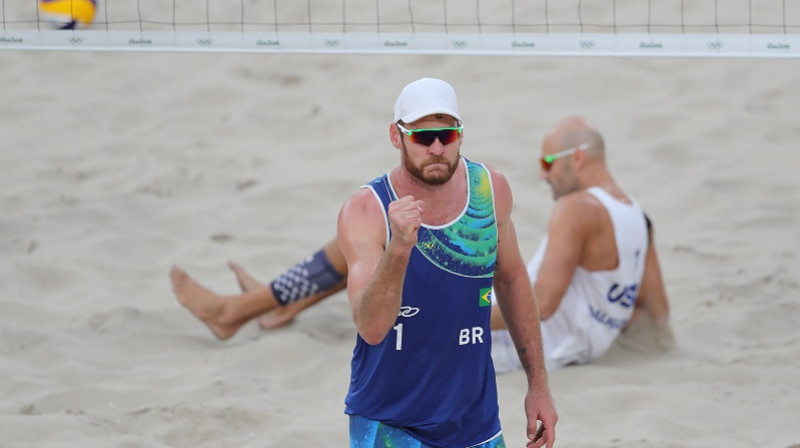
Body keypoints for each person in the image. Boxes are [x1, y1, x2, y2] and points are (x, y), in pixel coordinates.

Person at [172, 77, 558, 447]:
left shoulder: (490, 189)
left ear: (460, 134)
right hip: (392, 422)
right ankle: (247, 309)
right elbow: (372, 328)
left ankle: (248, 308)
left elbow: (511, 280)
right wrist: (400, 250)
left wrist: (538, 384)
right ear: (396, 137)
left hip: (474, 421)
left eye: (447, 135)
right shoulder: (365, 210)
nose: (437, 147)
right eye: (423, 137)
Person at [171, 116, 672, 372]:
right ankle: (276, 304)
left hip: (504, 347)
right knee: (383, 236)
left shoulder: (577, 209)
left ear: (577, 158)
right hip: (578, 346)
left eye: (547, 164)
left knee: (380, 231)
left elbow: (539, 305)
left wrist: (450, 313)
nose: (543, 177)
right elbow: (653, 312)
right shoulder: (638, 214)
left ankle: (241, 309)